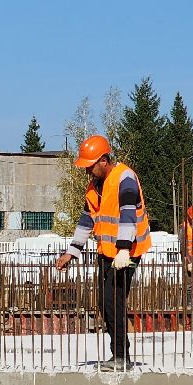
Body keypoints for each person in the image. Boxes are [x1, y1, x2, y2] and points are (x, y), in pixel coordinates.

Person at [54, 135, 152, 371]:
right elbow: (87, 220)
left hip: (128, 252)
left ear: (104, 161)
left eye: (90, 167)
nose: (88, 172)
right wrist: (72, 251)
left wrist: (124, 250)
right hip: (107, 251)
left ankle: (121, 357)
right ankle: (118, 354)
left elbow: (129, 213)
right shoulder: (94, 187)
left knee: (114, 301)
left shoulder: (124, 178)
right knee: (104, 302)